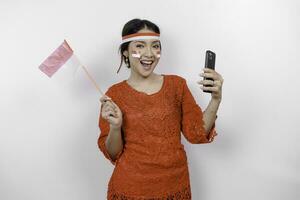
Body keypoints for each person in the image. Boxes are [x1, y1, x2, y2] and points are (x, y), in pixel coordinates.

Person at [97, 18, 223, 199]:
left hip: (174, 186)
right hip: (130, 188)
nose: (149, 53)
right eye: (140, 46)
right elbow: (113, 153)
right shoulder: (114, 94)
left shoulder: (177, 85)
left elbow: (196, 134)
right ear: (125, 53)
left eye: (155, 46)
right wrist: (115, 127)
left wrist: (216, 99)